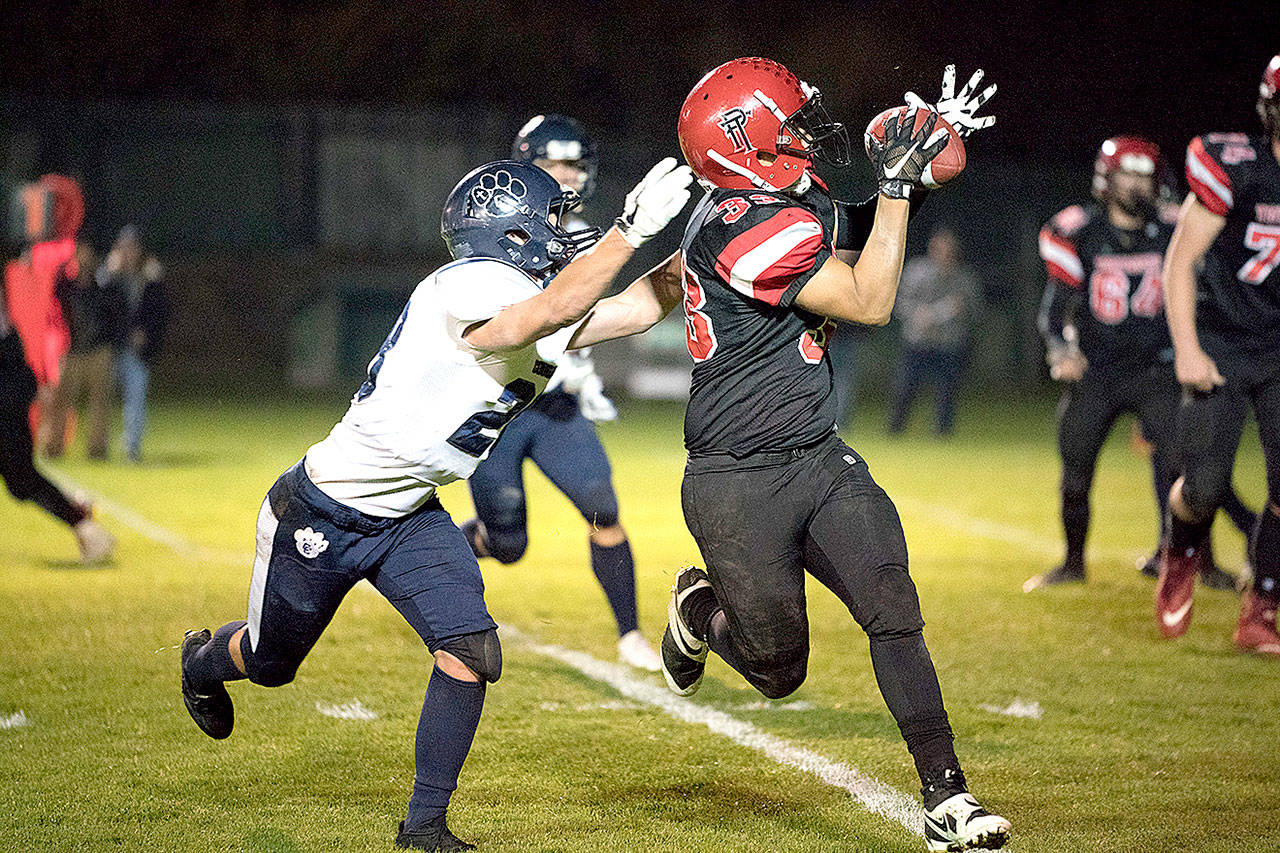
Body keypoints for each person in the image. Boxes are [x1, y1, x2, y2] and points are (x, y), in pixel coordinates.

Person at [178, 156, 693, 851]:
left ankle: (423, 824)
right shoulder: (473, 285)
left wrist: (700, 244)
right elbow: (544, 312)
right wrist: (630, 230)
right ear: (507, 231)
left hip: (410, 515)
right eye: (550, 219)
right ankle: (203, 661)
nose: (562, 229)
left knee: (471, 645)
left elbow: (633, 308)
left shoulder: (523, 291)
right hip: (323, 509)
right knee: (271, 663)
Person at [566, 58, 1010, 851]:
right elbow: (870, 300)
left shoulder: (762, 199)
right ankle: (700, 608)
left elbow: (651, 297)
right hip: (735, 481)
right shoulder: (742, 226)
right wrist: (902, 189)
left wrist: (911, 159)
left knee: (891, 601)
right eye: (790, 121)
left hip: (814, 453)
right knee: (779, 671)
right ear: (747, 145)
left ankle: (949, 794)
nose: (807, 129)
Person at [461, 114, 661, 672]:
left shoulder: (587, 233)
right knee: (508, 545)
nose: (566, 176)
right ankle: (433, 552)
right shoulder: (496, 231)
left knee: (603, 510)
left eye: (574, 164)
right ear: (525, 169)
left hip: (558, 407)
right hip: (502, 406)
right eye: (552, 164)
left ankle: (629, 635)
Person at [1025, 136, 1250, 591]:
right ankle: (1072, 563)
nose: (1138, 185)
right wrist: (1061, 350)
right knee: (1075, 468)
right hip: (1098, 370)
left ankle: (1196, 562)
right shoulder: (1080, 230)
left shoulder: (1172, 227)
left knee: (1187, 467)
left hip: (1157, 369)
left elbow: (1204, 289)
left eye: (1146, 176)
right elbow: (1054, 310)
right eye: (1129, 174)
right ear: (1107, 179)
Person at [1156, 54, 1280, 654]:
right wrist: (1186, 348)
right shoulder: (1238, 166)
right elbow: (1181, 259)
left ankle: (1261, 611)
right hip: (1224, 339)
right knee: (1203, 487)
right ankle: (1180, 551)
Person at [1, 287, 115, 562]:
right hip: (10, 389)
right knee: (21, 480)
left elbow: (12, 358)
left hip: (7, 395)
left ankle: (83, 523)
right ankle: (81, 520)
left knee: (22, 478)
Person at [886, 228, 979, 436]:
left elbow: (975, 309)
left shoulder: (963, 277)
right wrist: (916, 313)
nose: (943, 253)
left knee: (947, 392)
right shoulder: (916, 271)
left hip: (949, 344)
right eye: (939, 248)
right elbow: (900, 302)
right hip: (918, 341)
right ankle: (894, 430)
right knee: (905, 389)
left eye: (948, 249)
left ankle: (943, 433)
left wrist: (962, 310)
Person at [40, 241, 119, 460]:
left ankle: (97, 449)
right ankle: (54, 446)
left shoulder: (101, 283)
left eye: (87, 252)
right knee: (61, 400)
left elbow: (114, 311)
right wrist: (65, 264)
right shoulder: (67, 284)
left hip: (97, 349)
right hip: (73, 350)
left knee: (100, 402)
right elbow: (55, 290)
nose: (84, 257)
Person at [100, 226, 168, 463]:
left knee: (136, 399)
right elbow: (101, 308)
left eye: (133, 247)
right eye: (125, 246)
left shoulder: (150, 276)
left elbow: (159, 311)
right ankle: (99, 447)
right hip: (110, 347)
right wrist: (107, 277)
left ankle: (132, 447)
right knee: (102, 398)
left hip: (136, 350)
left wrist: (147, 334)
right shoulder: (108, 276)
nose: (129, 252)